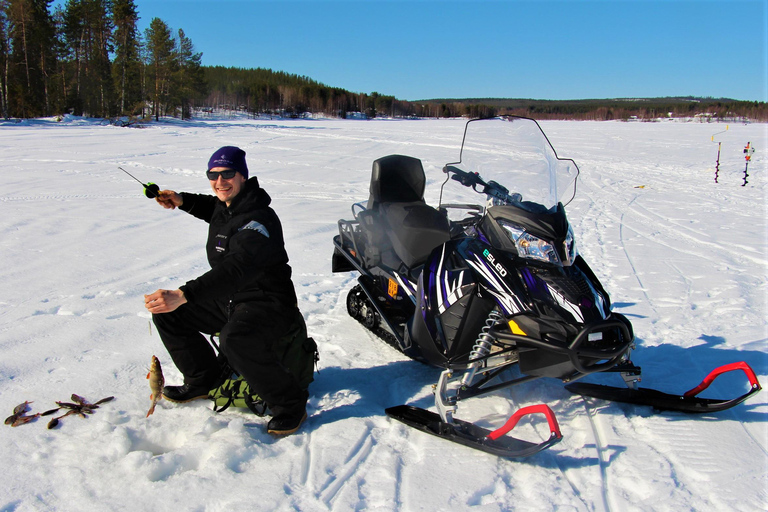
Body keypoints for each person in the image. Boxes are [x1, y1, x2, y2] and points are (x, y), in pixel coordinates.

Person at [144, 146, 314, 435]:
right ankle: (202, 380)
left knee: (233, 339)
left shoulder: (259, 219)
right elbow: (211, 207)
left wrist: (183, 294)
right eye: (213, 174)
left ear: (243, 176)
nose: (220, 181)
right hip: (233, 299)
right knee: (169, 315)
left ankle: (290, 405)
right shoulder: (228, 207)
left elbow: (237, 269)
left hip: (268, 302)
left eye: (228, 174)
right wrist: (181, 200)